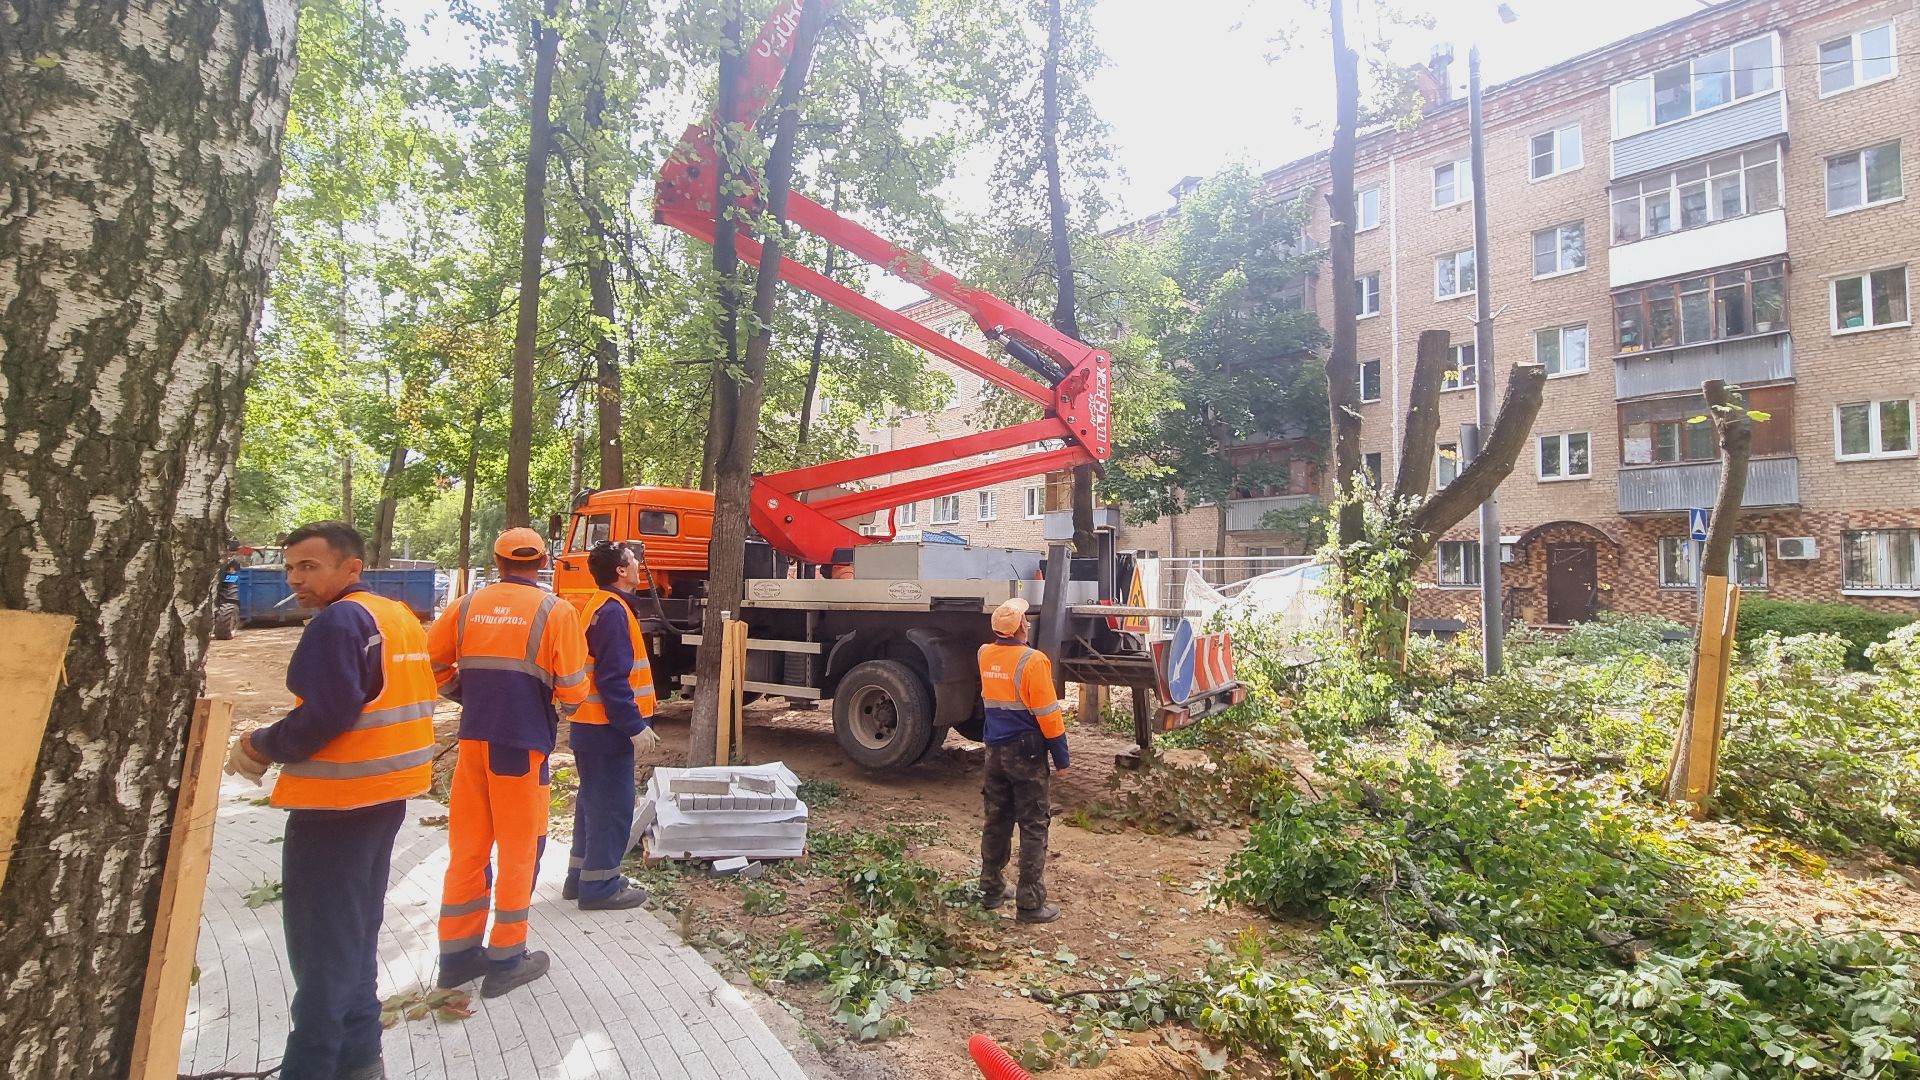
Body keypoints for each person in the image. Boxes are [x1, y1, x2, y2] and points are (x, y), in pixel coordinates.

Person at [223, 521, 437, 1080]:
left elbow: (327, 713)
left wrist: (260, 744)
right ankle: (360, 1060)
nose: (296, 578)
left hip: (336, 805)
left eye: (309, 566)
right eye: (291, 566)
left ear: (351, 568)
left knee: (321, 954)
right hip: (384, 798)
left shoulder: (341, 622)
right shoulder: (397, 618)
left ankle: (313, 1066)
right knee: (355, 939)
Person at [427, 527, 588, 997]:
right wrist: (562, 708)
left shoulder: (465, 607)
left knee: (469, 848)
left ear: (497, 562)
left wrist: (467, 695)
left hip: (475, 740)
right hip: (521, 748)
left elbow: (433, 666)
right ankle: (507, 958)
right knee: (520, 850)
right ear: (541, 563)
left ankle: (456, 957)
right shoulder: (555, 611)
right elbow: (574, 686)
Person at [561, 540, 660, 909]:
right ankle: (601, 888)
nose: (639, 565)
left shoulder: (598, 605)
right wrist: (634, 726)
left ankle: (581, 878)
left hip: (591, 726)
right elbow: (614, 680)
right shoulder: (615, 612)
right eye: (634, 560)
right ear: (621, 570)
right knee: (612, 808)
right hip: (607, 729)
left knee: (592, 805)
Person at [975, 596, 1067, 924]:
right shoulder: (1034, 661)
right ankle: (1030, 903)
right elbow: (1048, 714)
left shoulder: (985, 654)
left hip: (994, 751)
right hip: (1025, 752)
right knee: (1033, 822)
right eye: (1025, 620)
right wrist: (1061, 757)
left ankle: (991, 890)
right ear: (1019, 628)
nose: (1029, 623)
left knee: (996, 818)